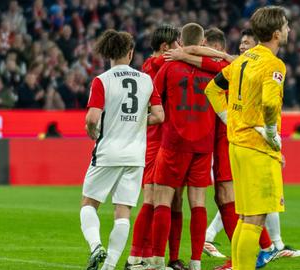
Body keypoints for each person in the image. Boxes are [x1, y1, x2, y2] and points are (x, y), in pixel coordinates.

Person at [205, 6, 296, 270]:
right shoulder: (273, 64)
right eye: (287, 26)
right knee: (255, 219)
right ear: (277, 33)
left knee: (245, 217)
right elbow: (269, 103)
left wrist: (229, 119)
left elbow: (212, 89)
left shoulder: (241, 60)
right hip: (257, 149)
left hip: (237, 145)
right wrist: (269, 132)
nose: (290, 29)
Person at [79, 29, 164, 270]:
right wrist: (136, 120)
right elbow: (159, 115)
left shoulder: (102, 80)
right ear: (130, 53)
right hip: (136, 156)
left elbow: (93, 117)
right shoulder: (146, 80)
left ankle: (96, 246)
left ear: (108, 54)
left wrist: (90, 128)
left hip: (107, 152)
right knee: (123, 211)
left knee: (89, 203)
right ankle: (110, 267)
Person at [150, 23, 216, 270]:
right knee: (198, 202)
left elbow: (153, 96)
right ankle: (196, 262)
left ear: (180, 41)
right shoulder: (213, 69)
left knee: (164, 200)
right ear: (203, 43)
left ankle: (157, 260)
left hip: (174, 142)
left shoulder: (169, 66)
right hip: (203, 143)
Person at [124, 24, 186, 270]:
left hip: (167, 139)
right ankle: (135, 257)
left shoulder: (154, 66)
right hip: (155, 140)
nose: (181, 49)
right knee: (152, 198)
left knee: (171, 201)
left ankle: (156, 256)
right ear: (165, 48)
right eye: (178, 45)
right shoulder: (156, 66)